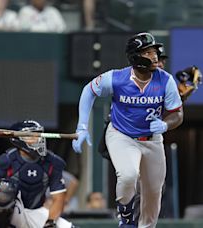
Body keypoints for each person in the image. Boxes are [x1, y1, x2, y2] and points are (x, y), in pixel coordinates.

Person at [72, 32, 184, 228]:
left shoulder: (166, 80)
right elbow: (88, 90)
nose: (155, 56)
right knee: (128, 174)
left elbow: (178, 114)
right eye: (148, 52)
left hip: (152, 139)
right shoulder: (116, 78)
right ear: (136, 57)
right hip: (121, 135)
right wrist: (82, 125)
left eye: (154, 51)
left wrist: (166, 124)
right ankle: (125, 218)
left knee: (154, 191)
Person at [0, 120, 77, 228]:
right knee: (5, 189)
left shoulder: (51, 162)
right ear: (18, 140)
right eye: (32, 135)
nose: (37, 138)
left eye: (39, 134)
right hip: (12, 214)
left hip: (36, 211)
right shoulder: (6, 160)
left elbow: (58, 199)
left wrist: (50, 223)